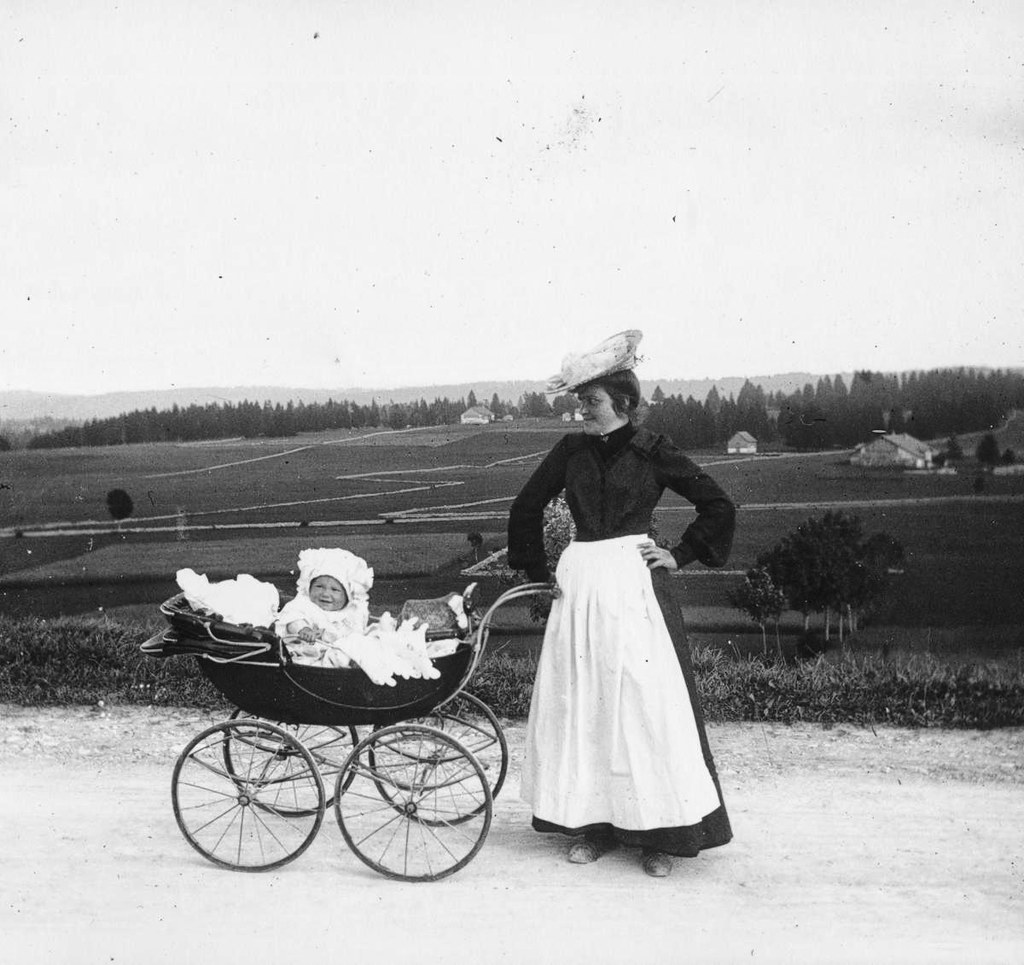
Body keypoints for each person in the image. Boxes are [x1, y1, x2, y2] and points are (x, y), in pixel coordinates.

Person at [507, 330, 736, 878]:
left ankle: (663, 836)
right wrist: (540, 570)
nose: (582, 409)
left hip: (634, 586)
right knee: (585, 701)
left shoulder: (654, 451)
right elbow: (527, 504)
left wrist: (679, 555)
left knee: (644, 704)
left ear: (624, 404)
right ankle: (592, 826)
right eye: (581, 400)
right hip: (581, 583)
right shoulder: (570, 451)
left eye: (592, 401)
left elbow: (717, 504)